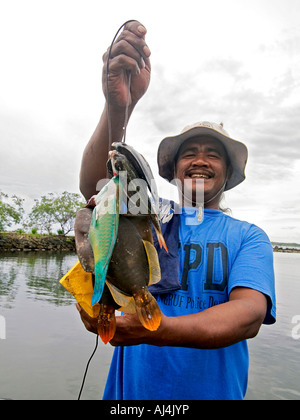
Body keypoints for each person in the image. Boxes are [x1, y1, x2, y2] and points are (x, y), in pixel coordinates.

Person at [77, 21, 276, 400]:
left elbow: (248, 316)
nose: (200, 161)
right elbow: (98, 187)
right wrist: (118, 105)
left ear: (229, 173)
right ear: (172, 170)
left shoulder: (249, 237)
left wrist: (158, 328)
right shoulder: (150, 211)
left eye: (213, 154)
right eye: (190, 153)